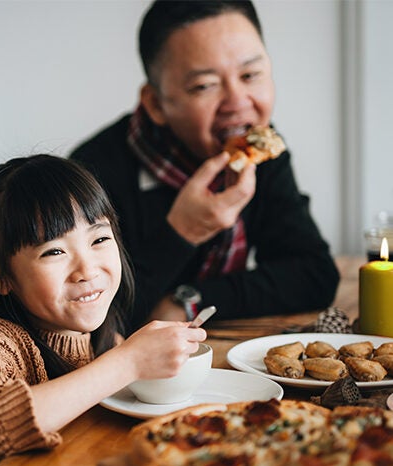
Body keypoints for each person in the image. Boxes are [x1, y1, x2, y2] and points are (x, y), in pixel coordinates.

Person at [0, 154, 205, 466]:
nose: (86, 269)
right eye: (54, 251)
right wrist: (127, 362)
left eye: (99, 240)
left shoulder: (105, 339)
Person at [70, 0, 339, 332]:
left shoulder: (260, 150)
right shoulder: (91, 173)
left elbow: (313, 275)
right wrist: (183, 232)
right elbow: (88, 318)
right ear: (155, 103)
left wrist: (188, 301)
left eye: (250, 75)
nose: (238, 102)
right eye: (205, 85)